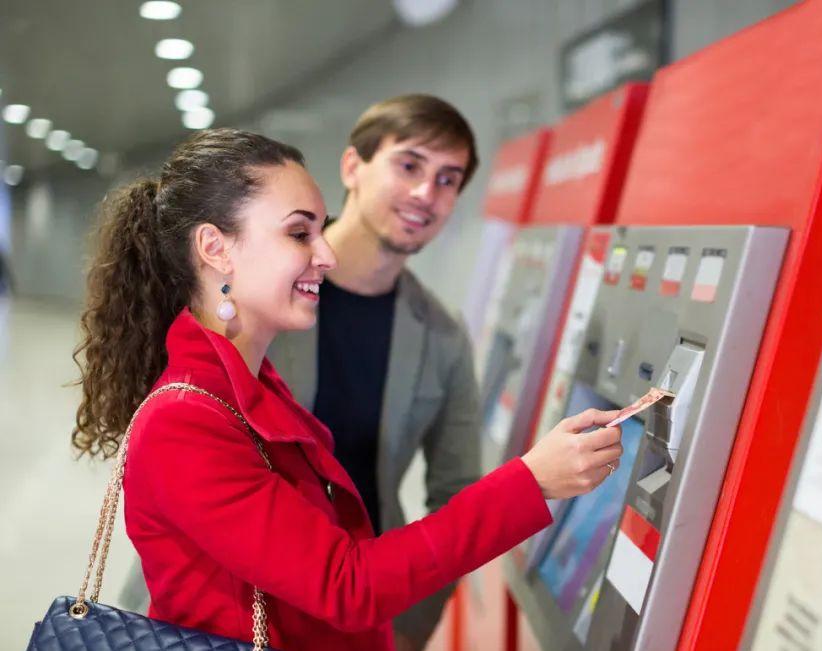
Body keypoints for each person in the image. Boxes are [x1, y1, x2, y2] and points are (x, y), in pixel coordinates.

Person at [71, 128, 623, 651]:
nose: (326, 254)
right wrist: (531, 483)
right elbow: (346, 584)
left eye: (321, 228)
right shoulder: (186, 421)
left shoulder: (252, 390)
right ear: (216, 248)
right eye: (298, 233)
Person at [270, 94, 484, 649]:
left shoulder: (442, 337)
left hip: (358, 617)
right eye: (409, 165)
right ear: (352, 167)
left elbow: (458, 496)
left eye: (448, 179)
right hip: (235, 605)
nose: (425, 194)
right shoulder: (262, 290)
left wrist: (407, 628)